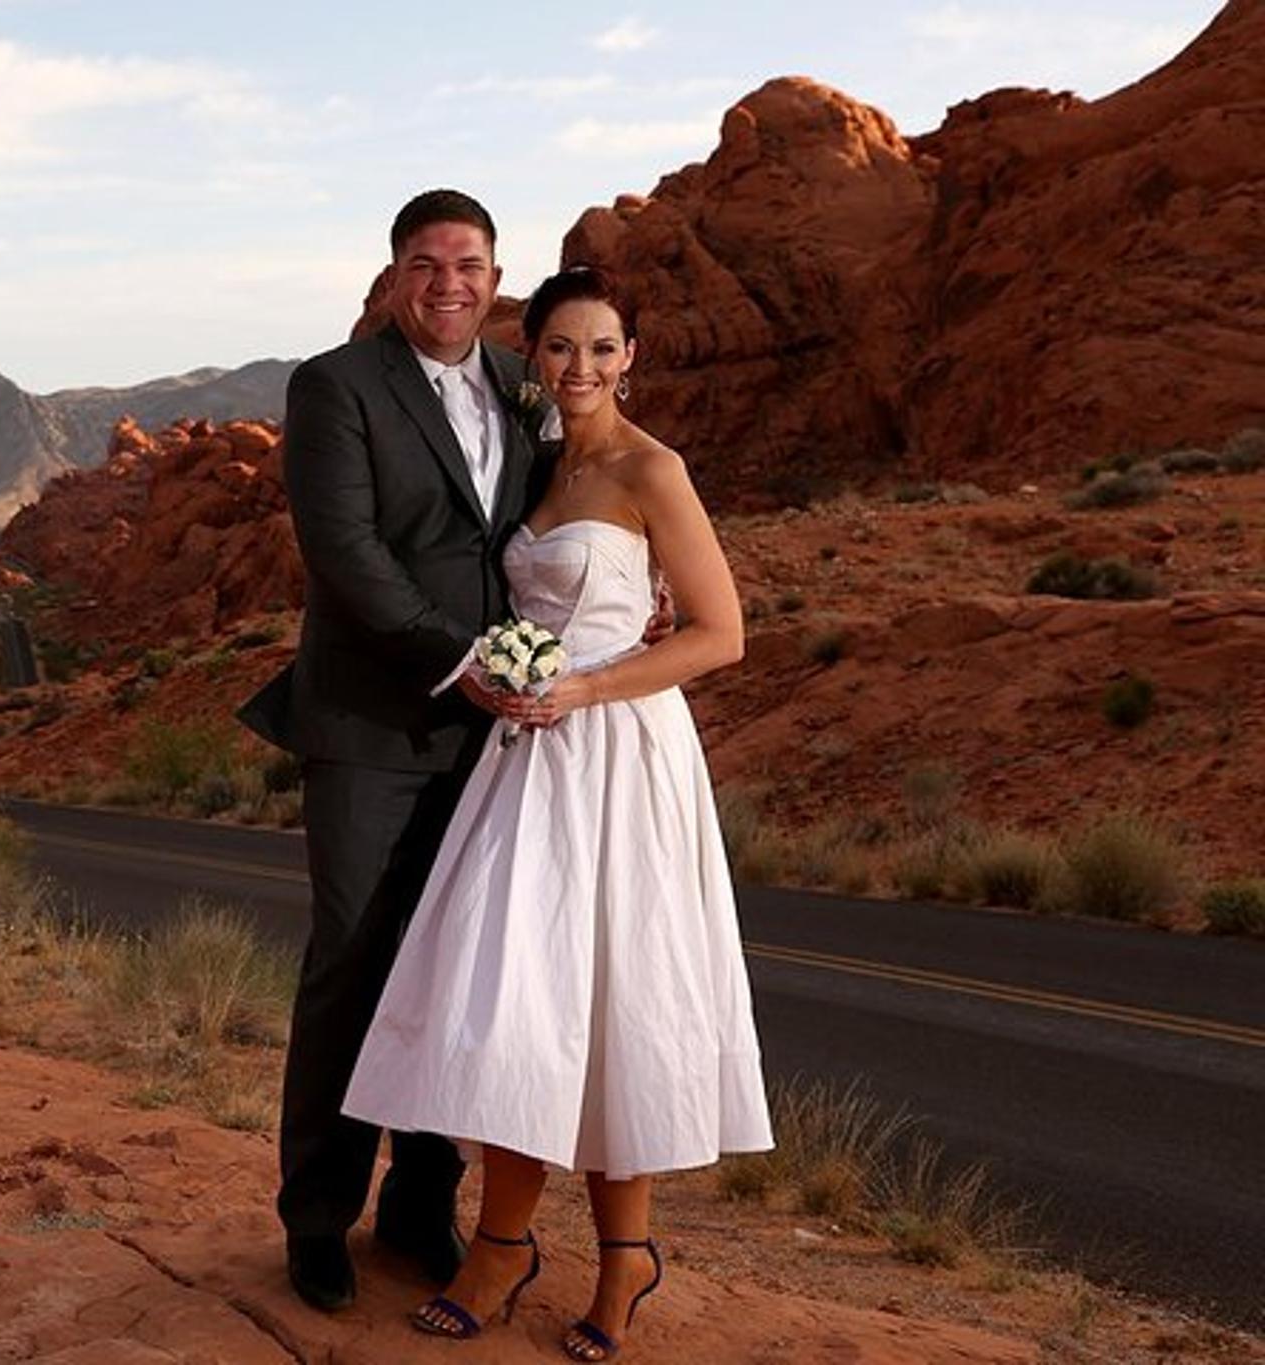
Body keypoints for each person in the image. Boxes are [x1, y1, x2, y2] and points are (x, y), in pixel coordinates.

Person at [339, 264, 775, 1361]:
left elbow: (717, 634)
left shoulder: (650, 468)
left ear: (631, 357)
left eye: (600, 348)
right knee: (516, 998)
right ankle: (503, 1240)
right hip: (525, 761)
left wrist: (575, 687)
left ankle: (624, 1258)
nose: (579, 367)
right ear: (529, 357)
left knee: (615, 996)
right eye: (558, 349)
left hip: (617, 752)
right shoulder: (535, 466)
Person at [237, 188, 538, 1313]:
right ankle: (317, 1218)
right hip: (371, 723)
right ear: (393, 276)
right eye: (425, 264)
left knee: (453, 977)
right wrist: (455, 657)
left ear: (494, 277)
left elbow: (550, 527)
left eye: (466, 264)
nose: (447, 283)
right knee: (352, 971)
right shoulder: (334, 385)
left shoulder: (524, 386)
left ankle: (420, 1209)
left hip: (492, 738)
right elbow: (346, 553)